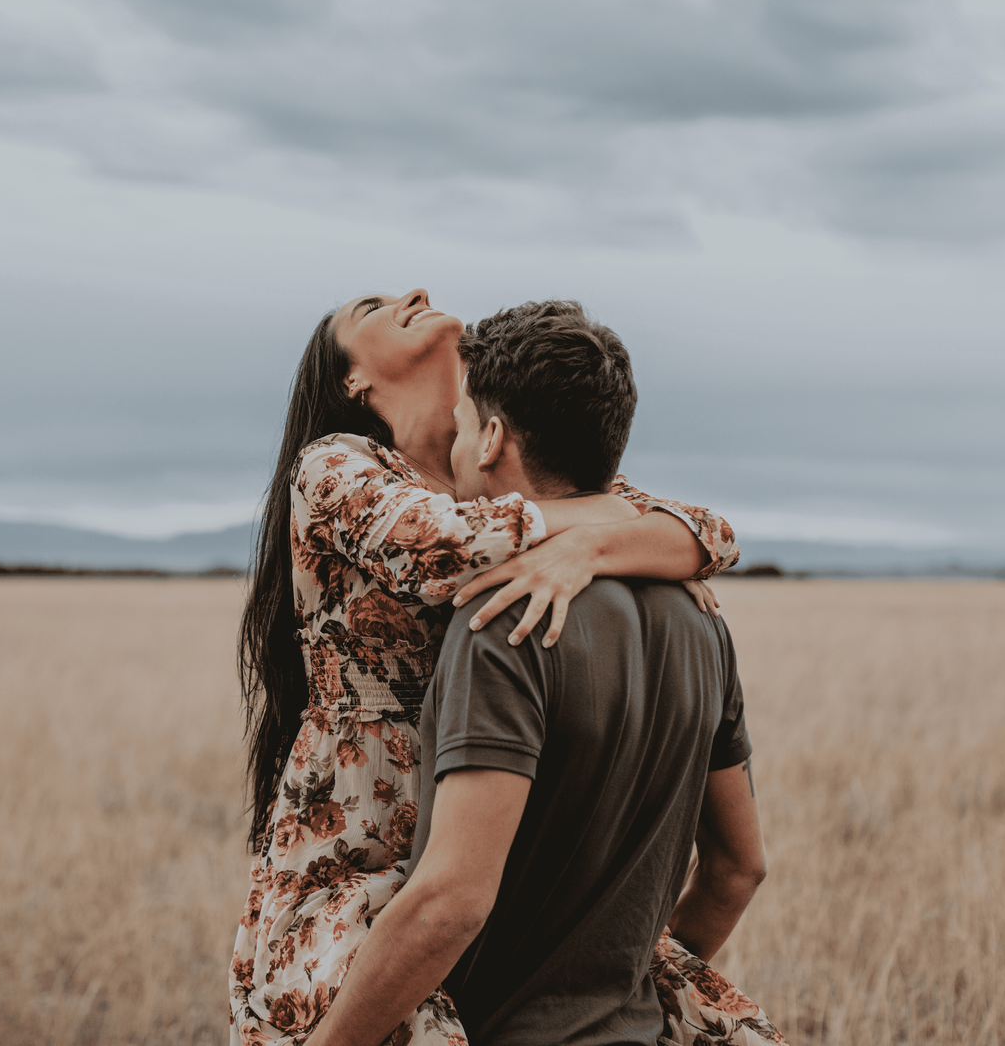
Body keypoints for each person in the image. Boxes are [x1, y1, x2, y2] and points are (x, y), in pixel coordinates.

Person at [230, 290, 746, 1046]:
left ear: (493, 432)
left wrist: (593, 545)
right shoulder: (338, 465)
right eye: (373, 304)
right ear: (351, 381)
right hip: (358, 841)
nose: (415, 295)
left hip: (468, 816)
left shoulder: (494, 473)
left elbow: (711, 531)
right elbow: (446, 544)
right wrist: (600, 530)